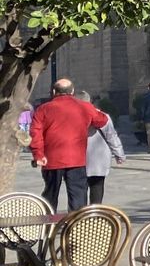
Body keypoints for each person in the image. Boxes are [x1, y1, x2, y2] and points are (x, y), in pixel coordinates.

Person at [29, 78, 108, 212]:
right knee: (78, 195)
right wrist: (95, 112)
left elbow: (35, 133)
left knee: (50, 194)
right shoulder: (84, 106)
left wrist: (38, 154)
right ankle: (76, 226)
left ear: (54, 91)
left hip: (51, 159)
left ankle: (48, 225)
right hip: (76, 159)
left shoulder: (43, 109)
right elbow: (102, 121)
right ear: (72, 91)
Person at [74, 90, 125, 205]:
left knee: (78, 190)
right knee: (97, 186)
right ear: (90, 101)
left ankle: (80, 216)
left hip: (77, 158)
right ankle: (95, 214)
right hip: (99, 158)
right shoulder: (102, 116)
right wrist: (119, 154)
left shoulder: (70, 117)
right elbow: (111, 136)